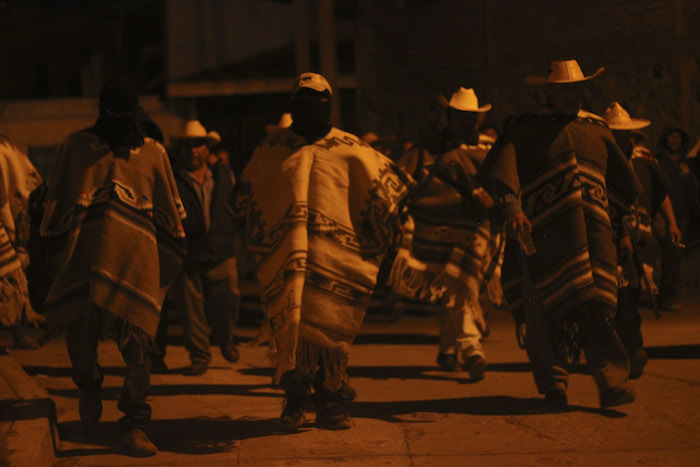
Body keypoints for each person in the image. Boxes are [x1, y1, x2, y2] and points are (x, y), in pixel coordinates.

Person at [231, 72, 408, 430]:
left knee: (330, 333)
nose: (309, 109)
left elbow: (390, 192)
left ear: (328, 105)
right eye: (303, 102)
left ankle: (331, 401)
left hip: (337, 260)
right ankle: (295, 400)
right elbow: (245, 198)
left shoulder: (352, 149)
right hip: (285, 259)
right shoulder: (271, 150)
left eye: (316, 102)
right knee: (292, 328)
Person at [482, 60, 642, 410]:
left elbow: (620, 186)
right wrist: (514, 209)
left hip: (594, 236)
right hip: (539, 236)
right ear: (549, 92)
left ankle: (612, 382)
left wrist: (626, 232)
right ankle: (553, 384)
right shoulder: (525, 129)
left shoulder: (597, 129)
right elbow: (503, 173)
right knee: (543, 314)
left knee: (596, 310)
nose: (573, 95)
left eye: (578, 89)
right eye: (566, 90)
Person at [39, 78, 186, 456]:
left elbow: (171, 217)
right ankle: (89, 386)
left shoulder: (153, 153)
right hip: (83, 267)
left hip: (137, 266)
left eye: (126, 115)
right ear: (101, 113)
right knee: (82, 353)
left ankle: (134, 423)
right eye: (112, 115)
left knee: (139, 353)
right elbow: (56, 206)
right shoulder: (77, 147)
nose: (119, 122)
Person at [390, 87, 497, 378]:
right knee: (457, 284)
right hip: (434, 225)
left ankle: (448, 347)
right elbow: (399, 177)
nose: (465, 123)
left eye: (469, 118)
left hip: (476, 227)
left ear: (477, 119)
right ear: (448, 116)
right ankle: (471, 347)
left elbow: (503, 180)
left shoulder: (488, 149)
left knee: (459, 284)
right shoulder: (427, 149)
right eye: (459, 116)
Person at [604, 102, 681, 378]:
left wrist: (671, 223)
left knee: (629, 291)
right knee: (620, 290)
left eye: (625, 134)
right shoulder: (601, 158)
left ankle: (630, 346)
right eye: (617, 134)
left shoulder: (644, 160)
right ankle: (631, 345)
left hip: (642, 237)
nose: (622, 139)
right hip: (611, 236)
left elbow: (661, 195)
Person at [159, 120, 241, 376]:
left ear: (208, 149)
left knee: (228, 298)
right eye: (187, 146)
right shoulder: (173, 178)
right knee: (190, 308)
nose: (193, 151)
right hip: (188, 252)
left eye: (198, 145)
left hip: (220, 249)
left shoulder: (223, 174)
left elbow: (234, 206)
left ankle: (225, 338)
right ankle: (199, 355)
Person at [0, 136, 45, 350]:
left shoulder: (6, 152)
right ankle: (18, 329)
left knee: (13, 276)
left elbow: (15, 199)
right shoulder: (7, 151)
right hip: (7, 215)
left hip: (8, 213)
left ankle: (18, 328)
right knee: (12, 275)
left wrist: (18, 242)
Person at [653, 126, 700, 309]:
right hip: (661, 213)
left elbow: (691, 188)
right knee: (664, 250)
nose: (674, 140)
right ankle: (660, 295)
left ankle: (668, 294)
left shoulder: (685, 164)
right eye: (671, 136)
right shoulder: (659, 161)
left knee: (675, 253)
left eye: (677, 137)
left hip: (681, 214)